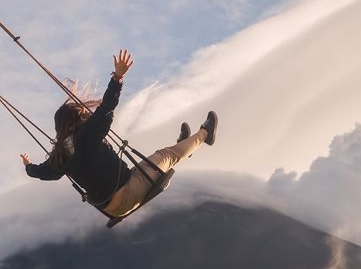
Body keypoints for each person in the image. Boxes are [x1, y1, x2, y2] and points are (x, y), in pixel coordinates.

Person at [20, 49, 218, 218]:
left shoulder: (59, 156)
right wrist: (117, 77)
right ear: (76, 119)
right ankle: (205, 134)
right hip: (127, 191)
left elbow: (43, 173)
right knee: (167, 155)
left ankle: (187, 145)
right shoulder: (87, 134)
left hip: (111, 207)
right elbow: (106, 107)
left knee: (159, 160)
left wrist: (28, 166)